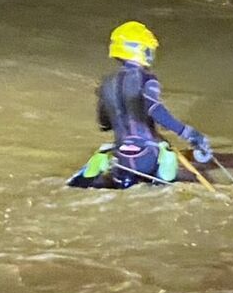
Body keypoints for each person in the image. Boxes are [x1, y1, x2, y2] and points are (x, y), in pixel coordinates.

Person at [77, 21, 212, 189]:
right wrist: (189, 134)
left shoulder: (106, 83)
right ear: (140, 49)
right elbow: (155, 109)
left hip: (122, 158)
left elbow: (104, 123)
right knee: (189, 179)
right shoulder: (147, 78)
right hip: (147, 158)